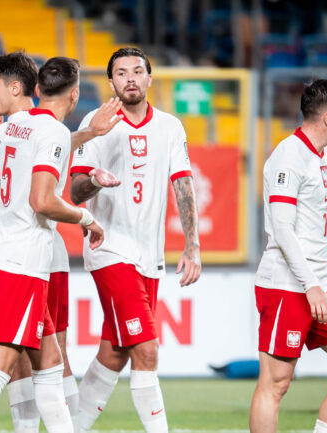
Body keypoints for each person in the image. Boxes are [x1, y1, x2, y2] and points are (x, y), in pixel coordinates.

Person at [0, 54, 104, 433]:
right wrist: (87, 219)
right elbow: (42, 200)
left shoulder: (9, 129)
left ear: (23, 88)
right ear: (75, 94)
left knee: (49, 363)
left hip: (8, 257)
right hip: (22, 262)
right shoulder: (50, 133)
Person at [69, 47, 201, 433]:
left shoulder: (171, 127)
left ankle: (71, 428)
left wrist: (192, 244)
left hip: (148, 255)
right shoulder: (97, 122)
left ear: (149, 78)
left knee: (115, 351)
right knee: (146, 349)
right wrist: (94, 179)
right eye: (121, 72)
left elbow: (183, 184)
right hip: (109, 249)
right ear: (111, 82)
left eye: (137, 71)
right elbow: (75, 192)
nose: (130, 77)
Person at [249, 79, 327, 433]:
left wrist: (318, 284)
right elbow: (282, 228)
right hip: (287, 284)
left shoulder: (326, 155)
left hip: (320, 281)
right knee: (275, 384)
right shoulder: (288, 156)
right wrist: (311, 286)